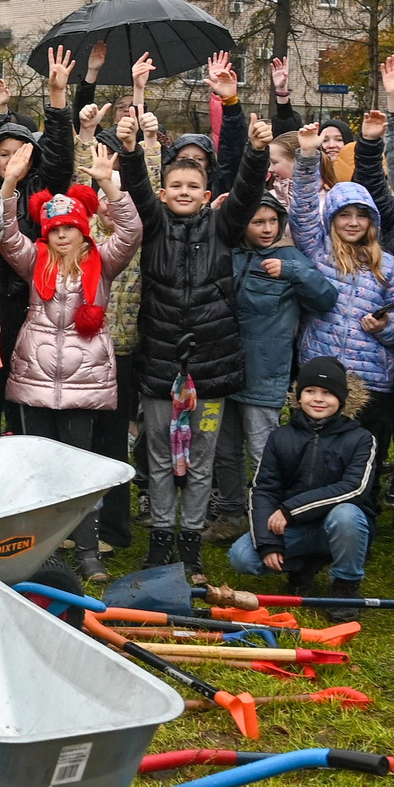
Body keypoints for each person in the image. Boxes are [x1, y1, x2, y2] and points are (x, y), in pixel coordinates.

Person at [118, 53, 267, 584]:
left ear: (207, 195)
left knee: (200, 458)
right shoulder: (154, 224)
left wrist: (240, 117)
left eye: (193, 188)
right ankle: (160, 539)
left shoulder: (223, 228)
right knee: (159, 456)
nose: (183, 193)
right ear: (165, 193)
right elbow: (135, 185)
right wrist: (132, 151)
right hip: (161, 364)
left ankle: (190, 542)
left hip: (212, 364)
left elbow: (249, 187)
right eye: (175, 186)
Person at [0, 145, 144, 584]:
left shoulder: (104, 262)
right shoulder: (34, 261)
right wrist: (10, 184)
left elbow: (132, 231)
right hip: (34, 378)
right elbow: (5, 233)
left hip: (85, 380)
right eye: (54, 229)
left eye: (69, 228)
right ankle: (41, 550)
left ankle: (86, 550)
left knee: (79, 468)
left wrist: (109, 186)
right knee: (38, 470)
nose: (61, 235)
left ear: (84, 231)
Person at [289, 126, 394, 575]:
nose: (351, 222)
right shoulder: (317, 251)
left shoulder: (388, 265)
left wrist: (386, 327)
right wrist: (308, 159)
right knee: (316, 459)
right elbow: (302, 210)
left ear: (371, 221)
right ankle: (312, 533)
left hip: (372, 382)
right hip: (324, 377)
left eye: (360, 215)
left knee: (362, 460)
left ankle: (357, 529)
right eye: (343, 214)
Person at [211, 188, 339, 543]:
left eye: (272, 221)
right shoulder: (228, 254)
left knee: (264, 452)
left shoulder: (292, 258)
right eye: (257, 222)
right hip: (223, 370)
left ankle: (270, 520)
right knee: (224, 450)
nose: (266, 229)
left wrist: (293, 273)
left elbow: (326, 298)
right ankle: (232, 514)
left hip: (265, 374)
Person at [229, 357, 377, 622]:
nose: (318, 399)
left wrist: (290, 510)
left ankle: (346, 586)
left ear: (342, 399)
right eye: (310, 391)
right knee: (242, 557)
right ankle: (301, 567)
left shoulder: (361, 438)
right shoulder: (280, 437)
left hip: (338, 526)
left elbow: (354, 488)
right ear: (299, 396)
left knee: (347, 514)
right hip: (293, 528)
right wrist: (268, 542)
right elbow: (263, 489)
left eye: (327, 393)